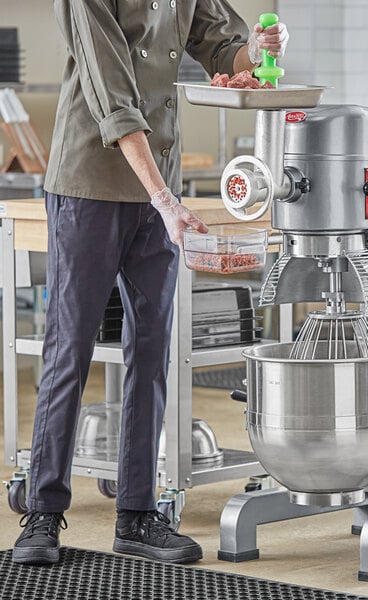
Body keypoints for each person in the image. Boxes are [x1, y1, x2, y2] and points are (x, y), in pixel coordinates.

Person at [12, 0, 289, 566]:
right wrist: (165, 201)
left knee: (152, 349)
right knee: (71, 348)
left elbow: (220, 45)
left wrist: (259, 52)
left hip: (159, 186)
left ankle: (137, 514)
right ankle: (41, 512)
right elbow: (111, 98)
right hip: (89, 182)